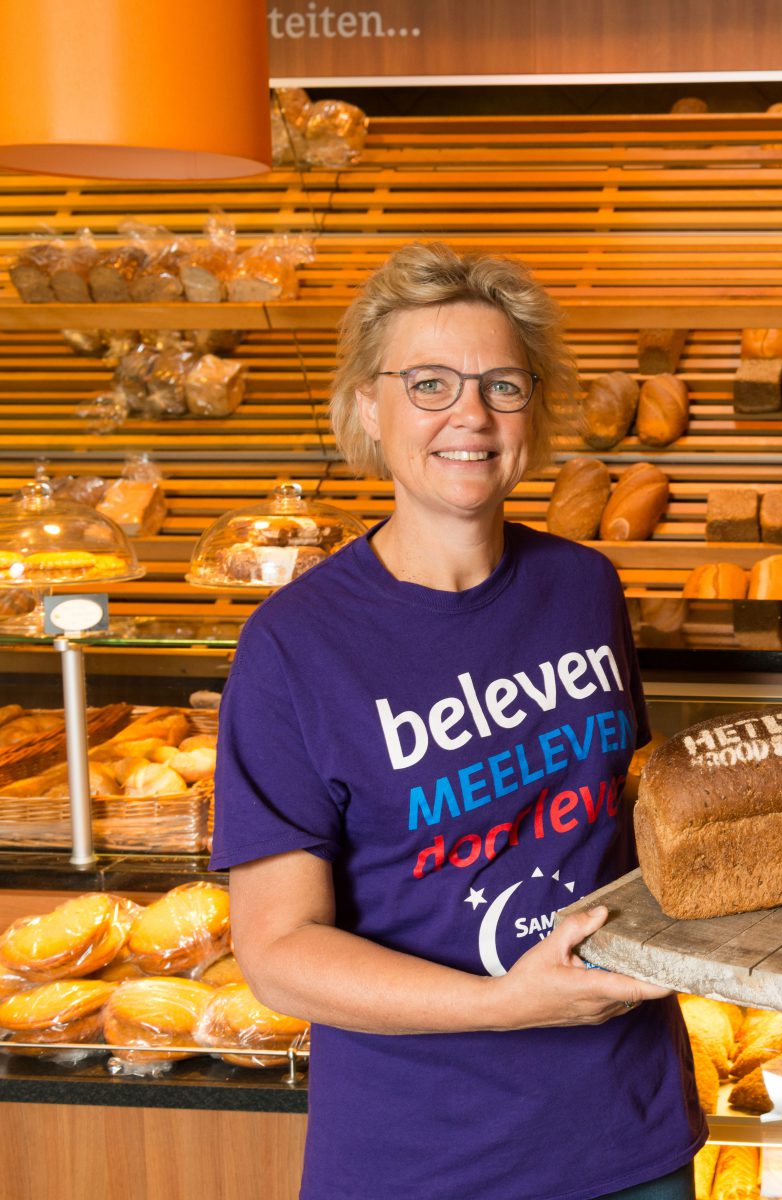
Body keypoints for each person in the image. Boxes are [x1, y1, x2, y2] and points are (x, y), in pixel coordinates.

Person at [213, 243, 705, 1200]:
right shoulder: (293, 645)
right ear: (369, 406)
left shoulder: (585, 587)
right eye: (429, 383)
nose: (470, 416)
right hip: (424, 1154)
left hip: (627, 1122)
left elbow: (616, 821)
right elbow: (277, 955)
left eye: (501, 386)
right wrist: (504, 1003)